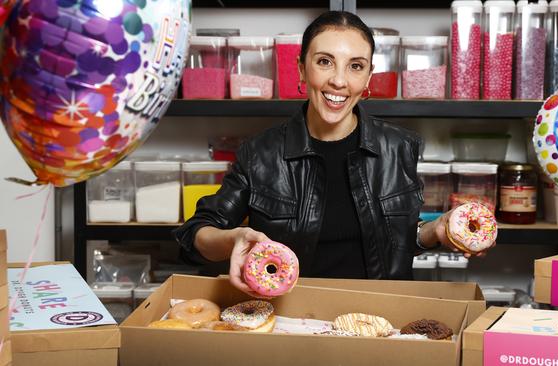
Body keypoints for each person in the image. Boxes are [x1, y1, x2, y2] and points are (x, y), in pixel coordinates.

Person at [174, 11, 488, 298]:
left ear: (367, 78)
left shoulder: (399, 147)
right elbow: (195, 233)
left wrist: (436, 231)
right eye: (325, 61)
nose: (339, 80)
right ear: (301, 68)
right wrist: (234, 239)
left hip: (381, 317)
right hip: (290, 316)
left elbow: (394, 241)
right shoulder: (260, 153)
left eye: (355, 66)